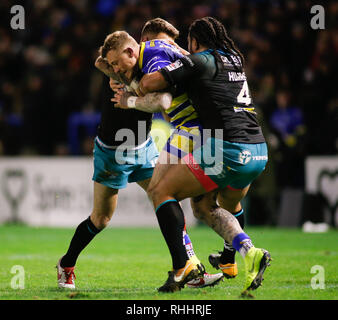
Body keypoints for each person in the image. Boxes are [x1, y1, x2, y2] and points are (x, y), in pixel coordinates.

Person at [57, 19, 223, 290]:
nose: (165, 48)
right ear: (140, 45)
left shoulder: (152, 68)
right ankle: (66, 264)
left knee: (168, 201)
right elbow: (105, 60)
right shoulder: (121, 72)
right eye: (161, 43)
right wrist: (115, 75)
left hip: (143, 147)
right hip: (113, 154)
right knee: (101, 219)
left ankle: (189, 269)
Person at [113, 17, 272, 296]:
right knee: (205, 207)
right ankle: (245, 253)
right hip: (258, 148)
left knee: (161, 191)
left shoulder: (199, 61)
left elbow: (153, 82)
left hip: (226, 147)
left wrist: (131, 95)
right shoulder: (234, 57)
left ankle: (183, 266)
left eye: (186, 44)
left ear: (196, 43)